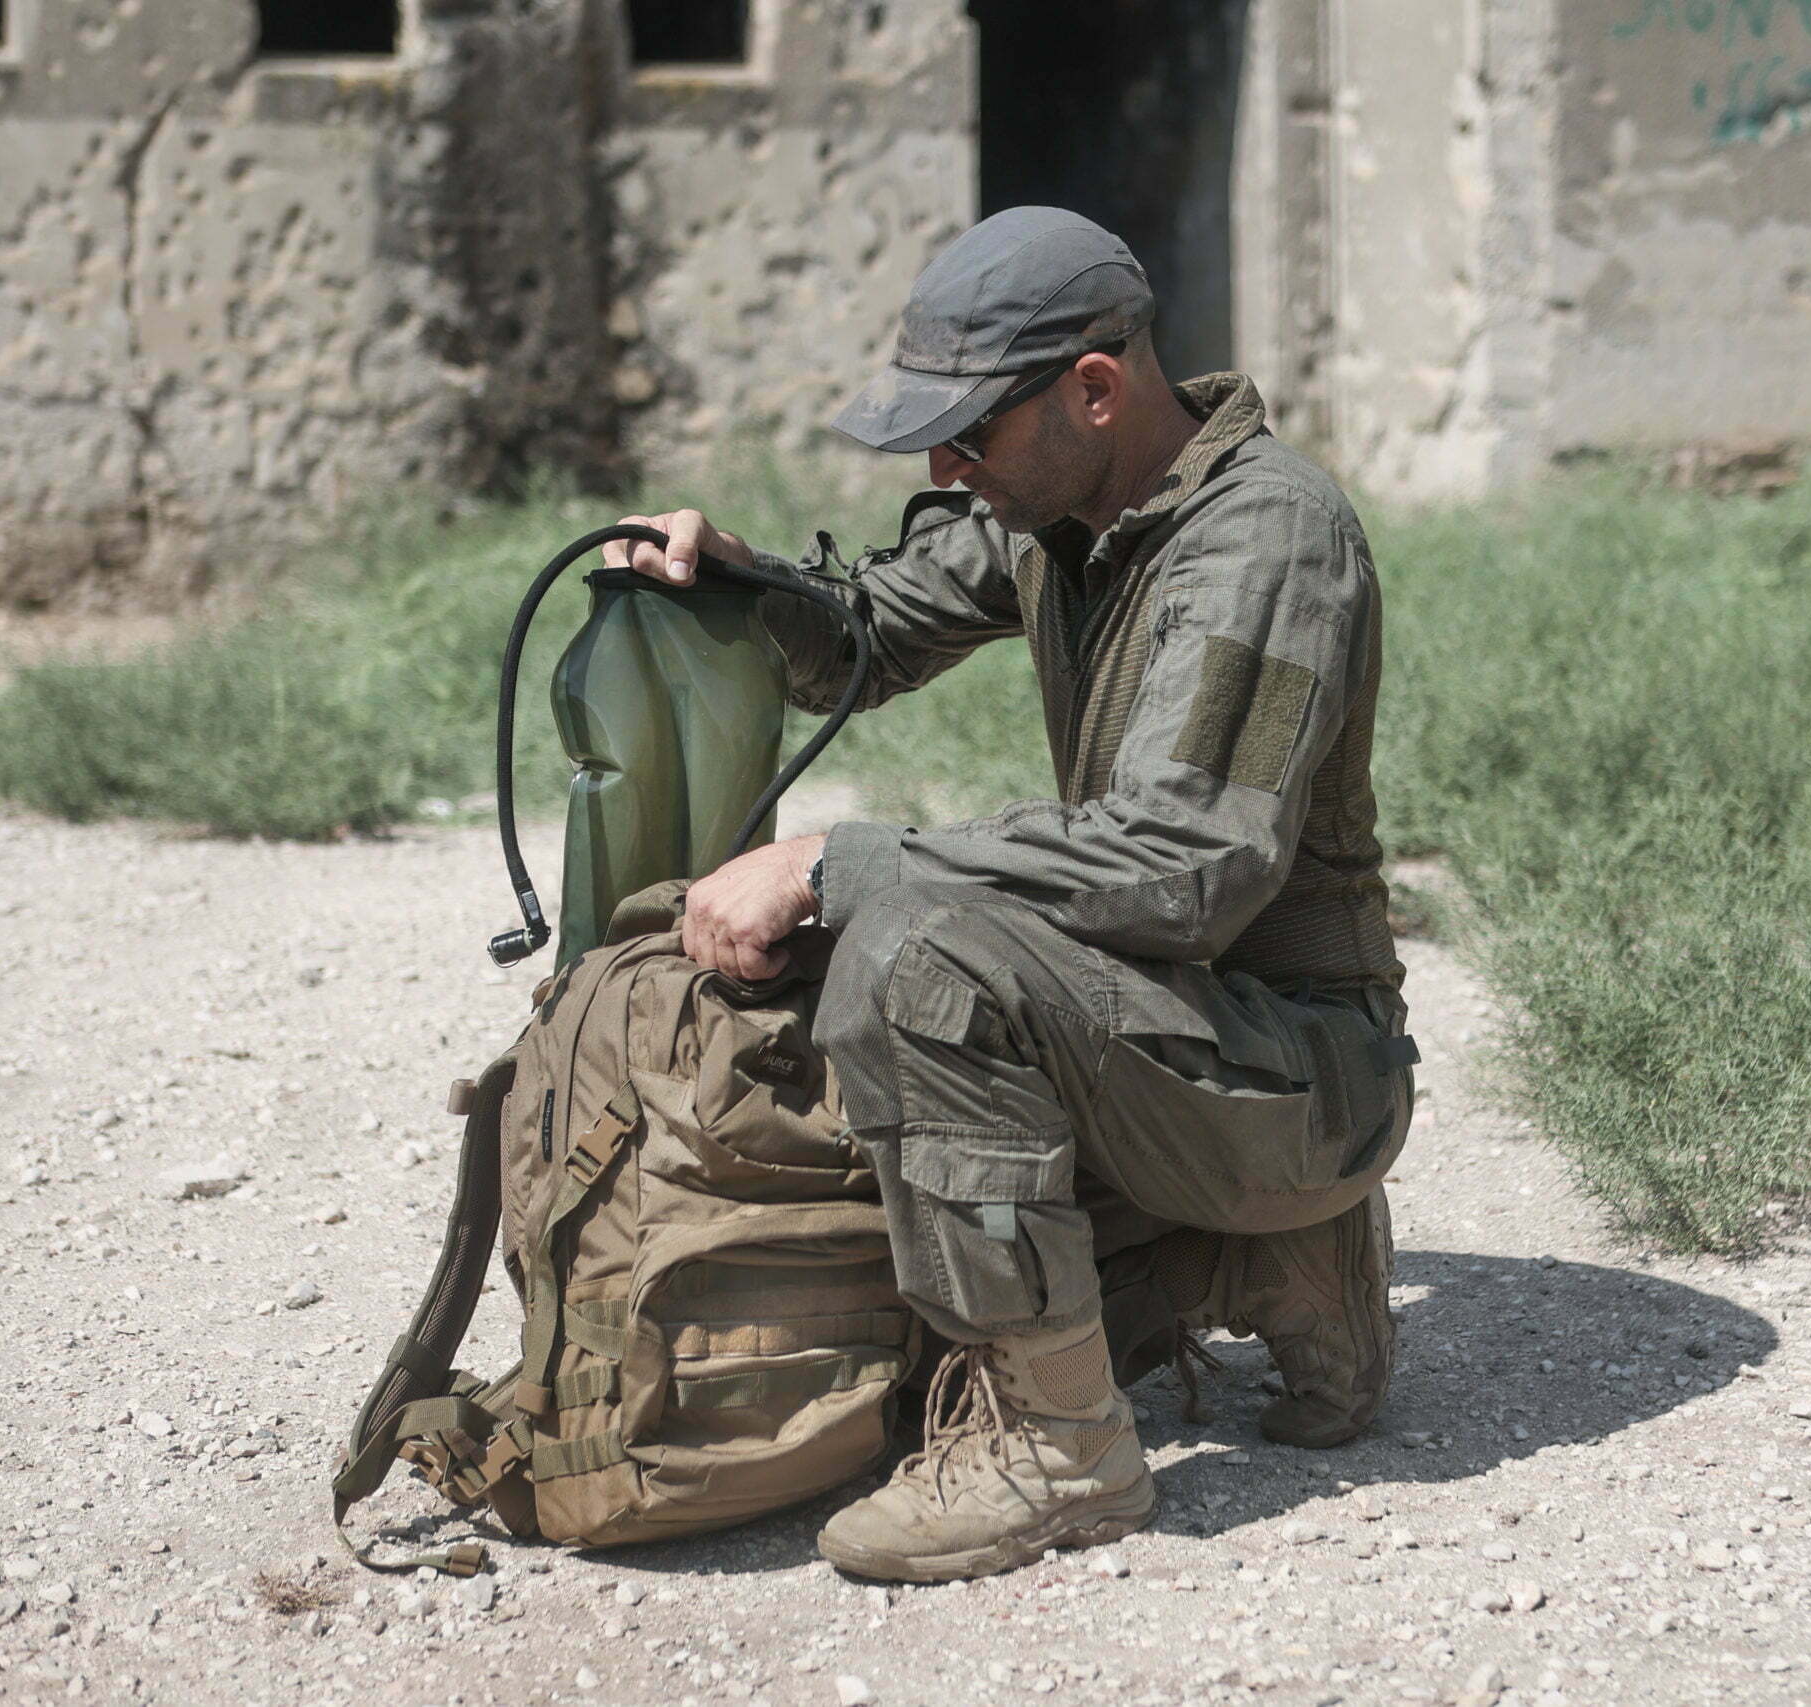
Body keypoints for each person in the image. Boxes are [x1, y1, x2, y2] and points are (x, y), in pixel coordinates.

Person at [600, 206, 1415, 1583]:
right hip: (1175, 1042)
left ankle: (1062, 1453)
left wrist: (832, 864)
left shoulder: (1267, 541)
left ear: (1096, 390)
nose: (944, 464)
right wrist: (730, 583)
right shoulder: (1061, 510)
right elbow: (862, 637)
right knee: (892, 1270)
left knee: (921, 965)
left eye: (972, 432)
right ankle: (1265, 1266)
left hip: (1298, 1067)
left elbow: (1182, 865)